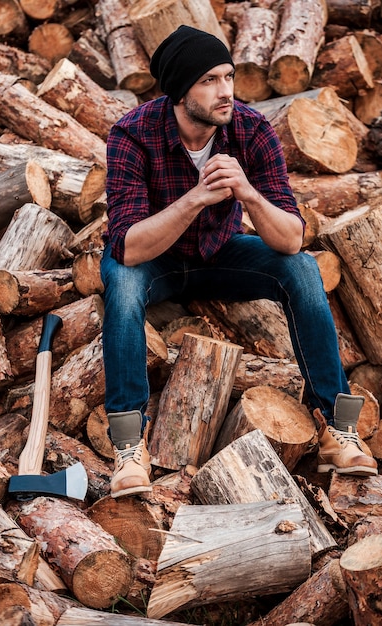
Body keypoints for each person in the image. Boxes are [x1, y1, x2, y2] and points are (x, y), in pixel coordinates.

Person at [100, 25, 378, 498]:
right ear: (179, 90)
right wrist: (194, 199)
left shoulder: (251, 129)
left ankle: (336, 427)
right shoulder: (132, 134)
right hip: (156, 261)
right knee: (123, 285)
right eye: (209, 80)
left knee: (303, 269)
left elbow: (291, 239)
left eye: (228, 76)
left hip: (222, 255)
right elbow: (127, 247)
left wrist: (247, 192)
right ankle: (129, 447)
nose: (226, 91)